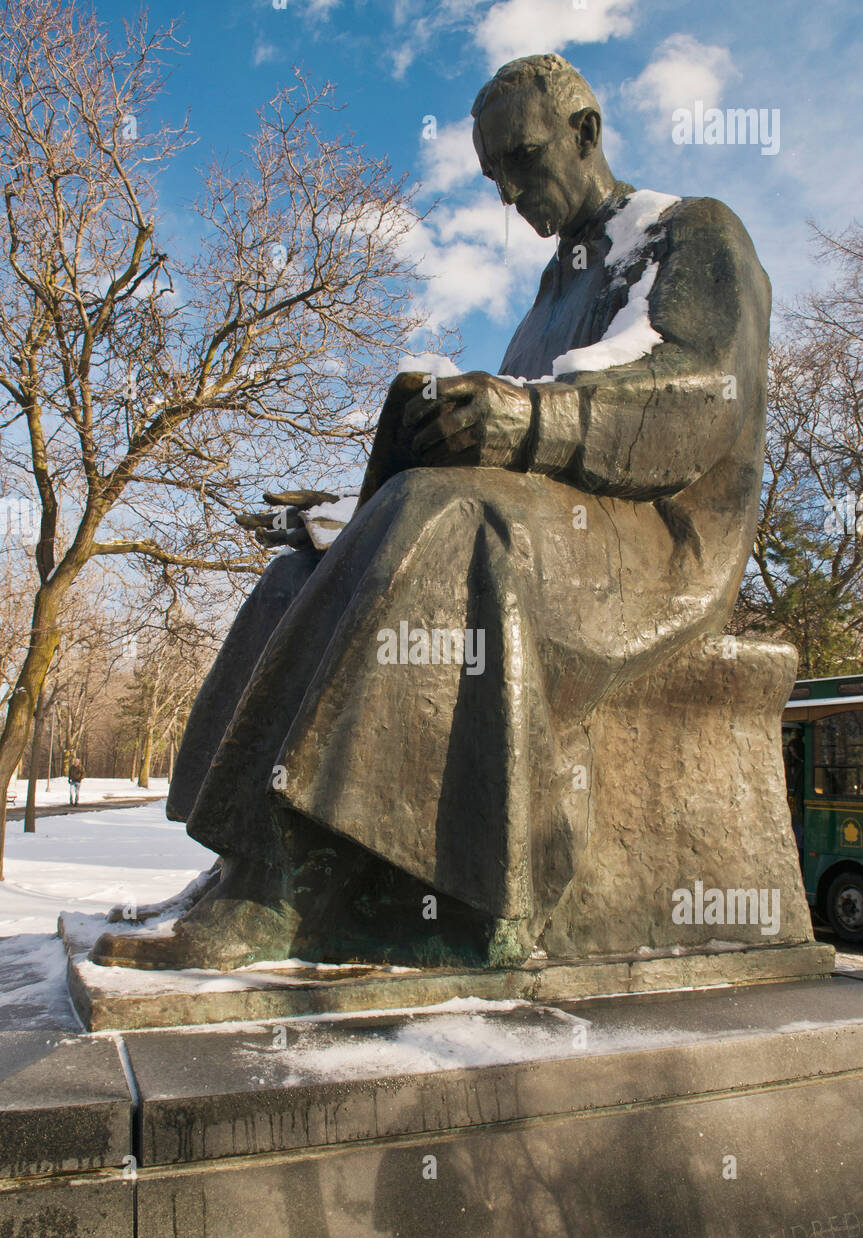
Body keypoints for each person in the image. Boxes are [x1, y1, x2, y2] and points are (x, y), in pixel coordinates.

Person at [91, 53, 771, 973]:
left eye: (525, 161)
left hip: (654, 547)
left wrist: (524, 417)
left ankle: (300, 882)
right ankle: (244, 856)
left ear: (586, 133)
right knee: (302, 570)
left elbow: (698, 398)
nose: (511, 194)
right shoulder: (546, 298)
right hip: (549, 524)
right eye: (494, 178)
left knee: (449, 518)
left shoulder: (689, 235)